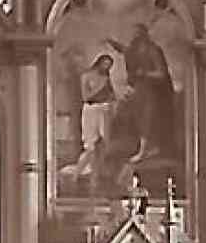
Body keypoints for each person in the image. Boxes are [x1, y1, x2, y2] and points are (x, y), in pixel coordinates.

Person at [108, 23, 176, 163]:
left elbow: (161, 73)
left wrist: (144, 73)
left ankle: (146, 149)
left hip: (152, 90)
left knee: (146, 118)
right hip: (139, 89)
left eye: (137, 34)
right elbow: (126, 51)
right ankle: (138, 147)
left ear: (144, 35)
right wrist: (113, 43)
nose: (134, 37)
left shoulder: (153, 50)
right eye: (133, 35)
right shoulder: (135, 49)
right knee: (132, 115)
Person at [66, 53, 115, 182]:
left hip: (104, 110)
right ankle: (76, 175)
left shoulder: (106, 78)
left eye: (109, 66)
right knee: (90, 146)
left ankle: (96, 174)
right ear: (98, 63)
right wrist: (100, 86)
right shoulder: (86, 76)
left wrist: (111, 101)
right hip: (90, 110)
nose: (106, 68)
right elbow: (86, 97)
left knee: (105, 143)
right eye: (104, 64)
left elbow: (112, 95)